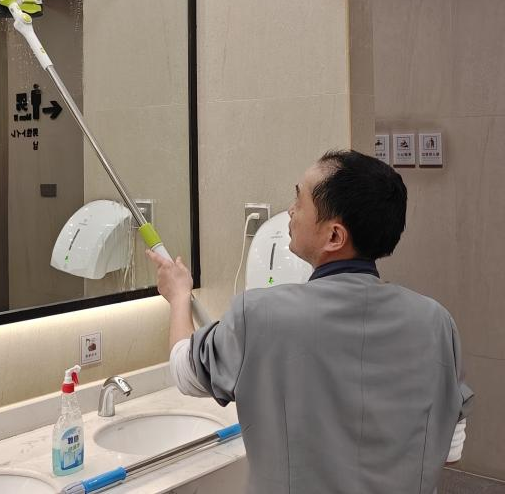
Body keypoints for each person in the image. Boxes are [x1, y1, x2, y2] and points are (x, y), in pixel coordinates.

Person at [145, 149, 473, 494]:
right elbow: (451, 452)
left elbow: (184, 371)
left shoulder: (259, 315)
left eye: (299, 200)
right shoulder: (437, 323)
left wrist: (179, 296)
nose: (290, 211)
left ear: (334, 236)